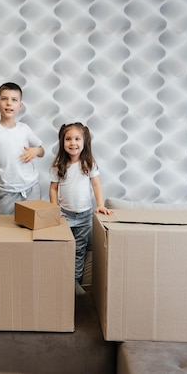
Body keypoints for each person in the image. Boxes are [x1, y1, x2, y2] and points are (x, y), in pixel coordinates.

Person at [49, 122, 113, 295]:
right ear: (62, 142)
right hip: (64, 215)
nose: (73, 143)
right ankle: (60, 279)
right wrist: (54, 210)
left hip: (84, 216)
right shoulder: (59, 165)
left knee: (79, 250)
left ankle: (74, 282)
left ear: (85, 142)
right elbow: (53, 189)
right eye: (68, 139)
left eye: (77, 139)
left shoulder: (88, 163)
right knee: (63, 248)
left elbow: (96, 185)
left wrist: (100, 205)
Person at [0, 82, 45, 216]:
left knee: (31, 228)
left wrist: (35, 151)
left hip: (32, 189)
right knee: (4, 229)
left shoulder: (24, 129)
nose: (9, 103)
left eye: (14, 100)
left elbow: (42, 151)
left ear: (20, 105)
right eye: (4, 99)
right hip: (7, 192)